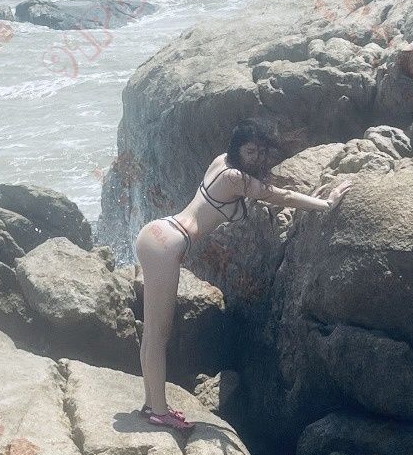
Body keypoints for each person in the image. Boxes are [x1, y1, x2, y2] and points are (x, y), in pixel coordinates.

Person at [134, 117, 352, 432]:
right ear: (237, 148)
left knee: (152, 333)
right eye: (250, 151)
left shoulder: (220, 162)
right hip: (168, 245)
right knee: (159, 335)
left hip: (156, 232)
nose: (256, 157)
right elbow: (282, 196)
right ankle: (158, 411)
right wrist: (327, 203)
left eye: (261, 151)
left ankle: (151, 403)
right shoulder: (235, 177)